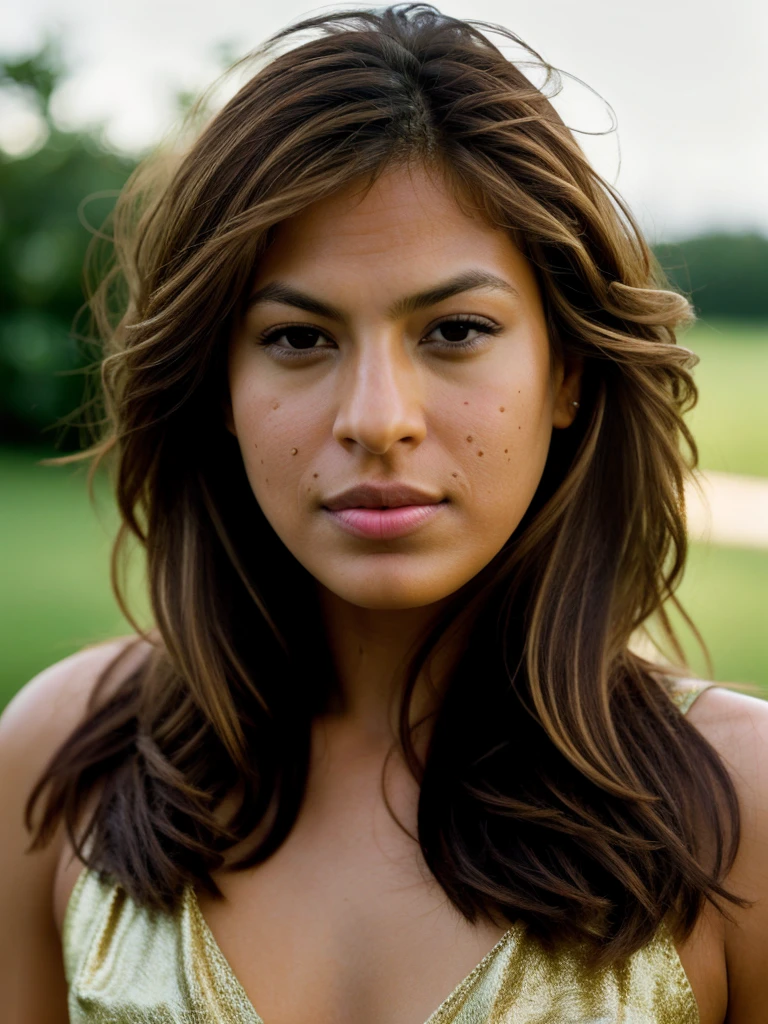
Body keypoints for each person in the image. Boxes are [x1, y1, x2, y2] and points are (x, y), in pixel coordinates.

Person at [2, 5, 767, 1022]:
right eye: (298, 338)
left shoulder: (739, 810)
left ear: (568, 371)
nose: (377, 420)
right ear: (218, 384)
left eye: (455, 329)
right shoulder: (65, 761)